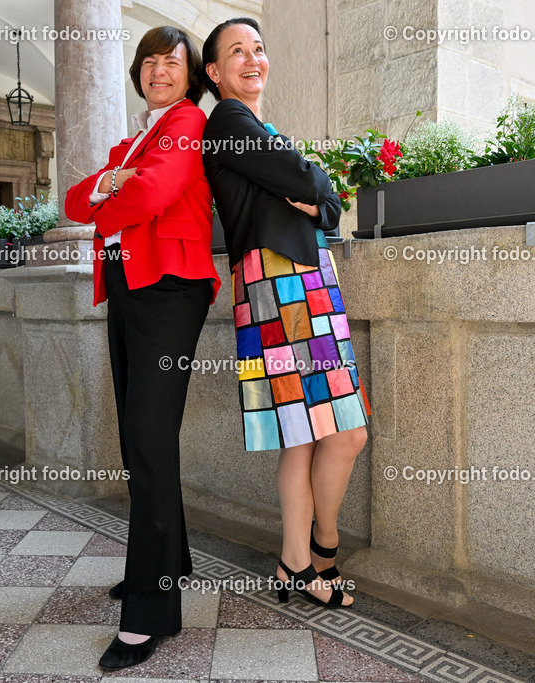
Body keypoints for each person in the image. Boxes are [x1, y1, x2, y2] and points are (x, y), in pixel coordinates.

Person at [64, 26, 220, 670]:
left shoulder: (187, 122)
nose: (160, 71)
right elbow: (73, 199)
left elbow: (149, 194)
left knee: (150, 441)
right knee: (138, 440)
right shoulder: (132, 140)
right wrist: (106, 186)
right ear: (139, 71)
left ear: (191, 76)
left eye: (173, 63)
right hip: (128, 284)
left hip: (169, 291)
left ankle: (150, 611)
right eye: (150, 62)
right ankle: (169, 563)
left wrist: (109, 191)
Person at [201, 17, 371, 609]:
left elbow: (327, 205)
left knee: (308, 436)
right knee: (342, 433)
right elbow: (308, 180)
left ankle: (296, 563)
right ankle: (319, 551)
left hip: (296, 284)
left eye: (259, 48)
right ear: (214, 72)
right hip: (281, 287)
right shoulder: (228, 120)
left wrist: (317, 197)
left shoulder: (258, 126)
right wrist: (314, 187)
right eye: (237, 52)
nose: (253, 59)